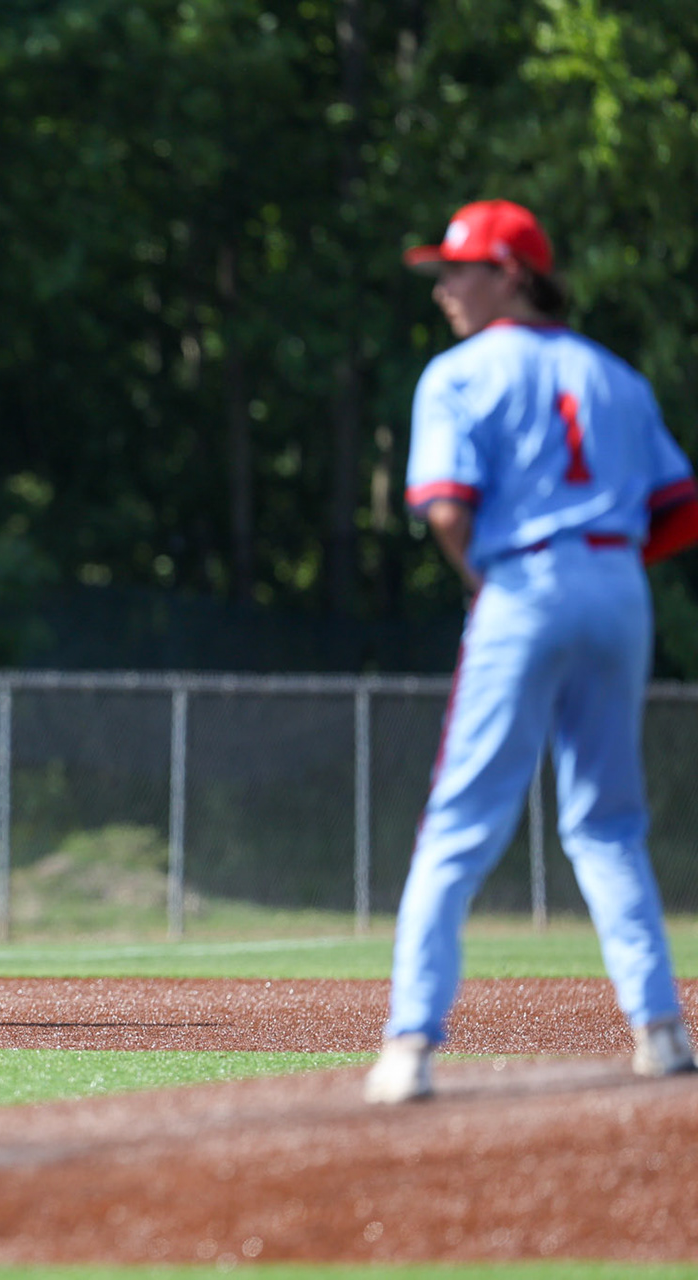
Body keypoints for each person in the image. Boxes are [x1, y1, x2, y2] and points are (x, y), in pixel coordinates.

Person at [366, 199, 698, 1104]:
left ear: (511, 273)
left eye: (457, 272)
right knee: (607, 821)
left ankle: (408, 1044)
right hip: (618, 587)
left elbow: (444, 506)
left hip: (523, 584)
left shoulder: (458, 373)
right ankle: (662, 1029)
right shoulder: (617, 377)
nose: (443, 292)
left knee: (461, 817)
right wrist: (607, 566)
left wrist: (489, 581)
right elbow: (680, 508)